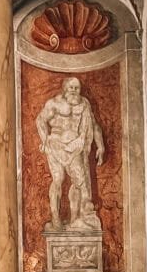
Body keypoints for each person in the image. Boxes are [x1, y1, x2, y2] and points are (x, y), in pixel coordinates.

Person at [36, 76, 105, 231]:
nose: (74, 91)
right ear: (64, 88)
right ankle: (55, 218)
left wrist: (100, 146)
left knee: (79, 182)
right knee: (58, 179)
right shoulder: (54, 103)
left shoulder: (84, 104)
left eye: (77, 88)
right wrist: (45, 140)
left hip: (75, 147)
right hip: (56, 145)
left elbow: (93, 125)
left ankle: (75, 219)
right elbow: (40, 121)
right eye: (71, 87)